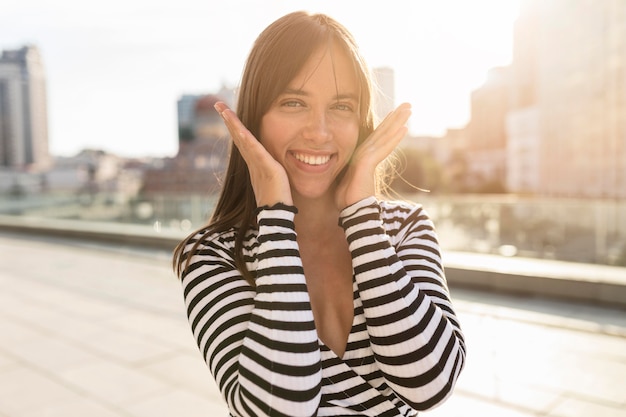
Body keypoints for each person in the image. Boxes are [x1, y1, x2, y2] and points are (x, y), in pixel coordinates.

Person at [173, 11, 466, 417]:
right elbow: (279, 409)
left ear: (361, 122)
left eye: (342, 106)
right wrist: (275, 218)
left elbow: (430, 383)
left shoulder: (403, 228)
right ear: (253, 118)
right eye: (294, 102)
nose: (320, 131)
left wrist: (362, 218)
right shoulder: (214, 256)